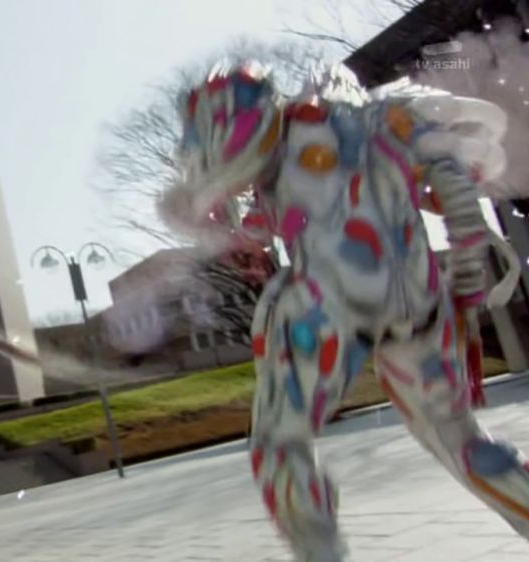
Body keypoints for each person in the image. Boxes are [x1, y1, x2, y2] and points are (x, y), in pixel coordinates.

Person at [171, 63, 529, 561]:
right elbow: (451, 179)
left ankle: (320, 548)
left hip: (329, 309)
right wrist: (467, 266)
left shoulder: (285, 143)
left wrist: (231, 236)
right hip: (421, 314)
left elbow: (252, 216)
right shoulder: (385, 119)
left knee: (280, 444)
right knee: (462, 440)